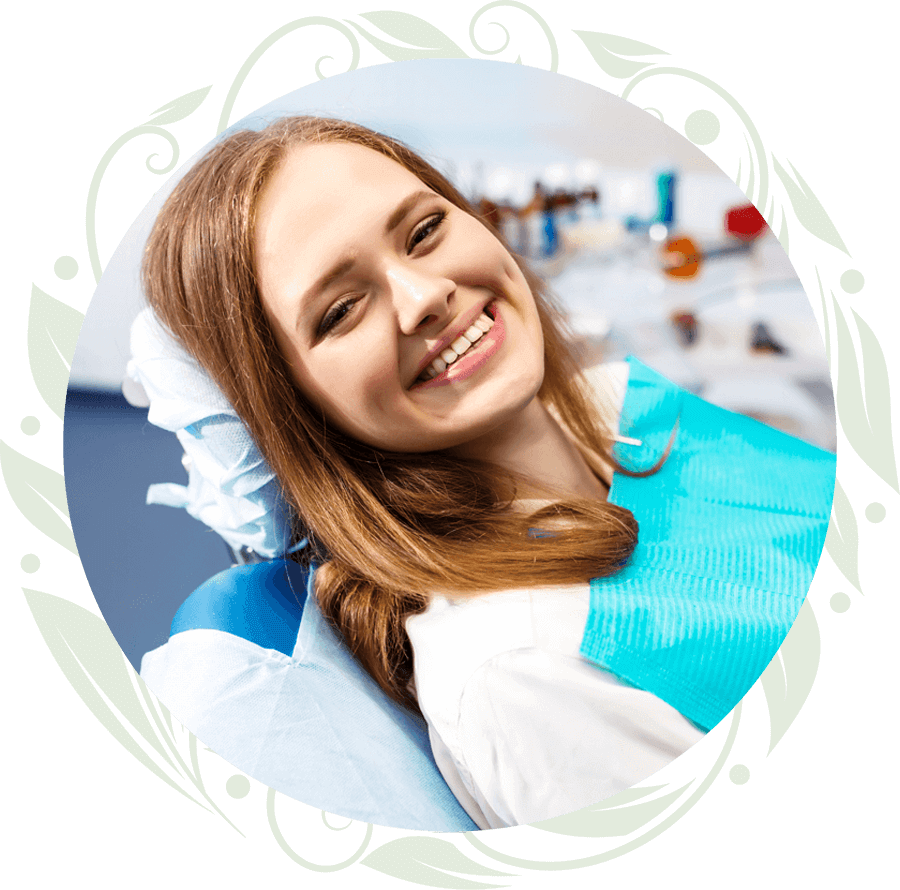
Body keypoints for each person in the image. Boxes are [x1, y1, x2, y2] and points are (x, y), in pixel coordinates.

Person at [138, 116, 834, 830]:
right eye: (341, 310)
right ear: (288, 407)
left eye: (424, 231)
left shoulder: (626, 400)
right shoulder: (519, 675)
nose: (424, 295)